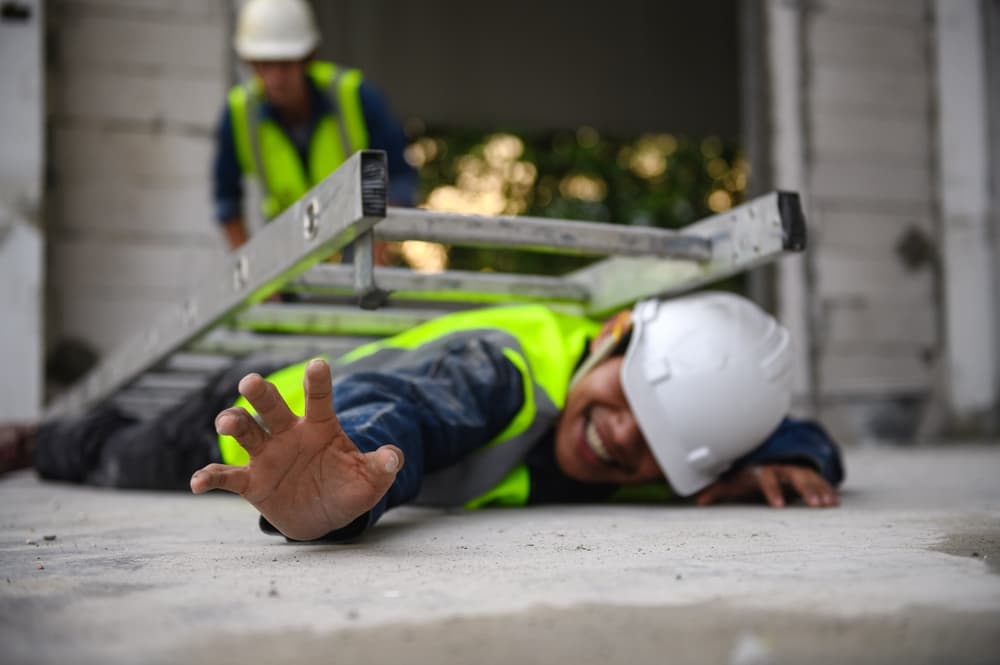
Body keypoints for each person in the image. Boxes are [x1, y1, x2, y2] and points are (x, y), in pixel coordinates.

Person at [1, 292, 843, 543]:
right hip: (262, 423)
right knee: (111, 456)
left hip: (298, 449)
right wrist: (350, 477)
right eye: (630, 401)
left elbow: (798, 434)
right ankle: (39, 436)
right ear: (613, 337)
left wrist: (794, 457)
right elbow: (417, 409)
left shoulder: (690, 453)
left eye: (658, 443)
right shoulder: (508, 371)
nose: (623, 436)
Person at [214, 0, 417, 252]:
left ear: (307, 59)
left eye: (285, 64)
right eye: (264, 65)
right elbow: (226, 202)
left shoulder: (355, 96)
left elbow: (399, 178)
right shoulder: (239, 115)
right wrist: (253, 275)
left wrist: (379, 245)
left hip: (356, 249)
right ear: (251, 64)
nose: (275, 79)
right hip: (287, 259)